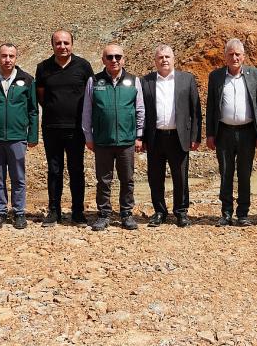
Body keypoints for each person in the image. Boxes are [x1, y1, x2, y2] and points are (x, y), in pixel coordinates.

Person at [82, 44, 144, 231]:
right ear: (103, 60)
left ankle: (126, 213)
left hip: (126, 141)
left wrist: (139, 135)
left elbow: (140, 110)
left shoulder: (133, 81)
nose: (114, 60)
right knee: (103, 180)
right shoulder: (94, 81)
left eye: (118, 56)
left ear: (123, 59)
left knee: (127, 179)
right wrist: (88, 136)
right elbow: (87, 111)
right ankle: (104, 214)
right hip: (102, 140)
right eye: (109, 57)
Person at [36, 29, 94, 226]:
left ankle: (78, 212)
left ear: (72, 44)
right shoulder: (43, 68)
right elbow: (41, 96)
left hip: (76, 128)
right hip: (51, 127)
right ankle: (54, 211)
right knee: (54, 170)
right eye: (58, 43)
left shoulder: (83, 66)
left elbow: (90, 95)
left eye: (66, 43)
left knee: (76, 169)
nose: (62, 46)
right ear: (52, 45)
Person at [141, 45, 202, 227]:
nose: (164, 60)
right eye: (160, 57)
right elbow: (141, 112)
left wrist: (195, 136)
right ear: (155, 61)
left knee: (180, 176)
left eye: (167, 57)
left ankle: (181, 212)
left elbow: (195, 111)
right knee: (155, 177)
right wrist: (141, 138)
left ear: (174, 59)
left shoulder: (186, 79)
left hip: (179, 137)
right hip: (155, 137)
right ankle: (160, 212)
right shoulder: (146, 81)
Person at [206, 39, 257, 227]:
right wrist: (210, 134)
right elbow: (211, 106)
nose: (234, 57)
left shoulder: (254, 74)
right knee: (226, 173)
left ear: (243, 56)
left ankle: (243, 214)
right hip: (224, 132)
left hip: (247, 132)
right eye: (231, 54)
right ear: (225, 57)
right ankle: (226, 213)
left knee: (245, 174)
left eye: (238, 54)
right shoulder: (216, 76)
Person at [0, 43, 38, 230]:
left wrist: (32, 135)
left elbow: (33, 110)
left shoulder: (27, 80)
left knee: (18, 177)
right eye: (4, 56)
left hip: (17, 137)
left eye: (11, 56)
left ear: (16, 57)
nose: (7, 59)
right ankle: (0, 212)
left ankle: (19, 212)